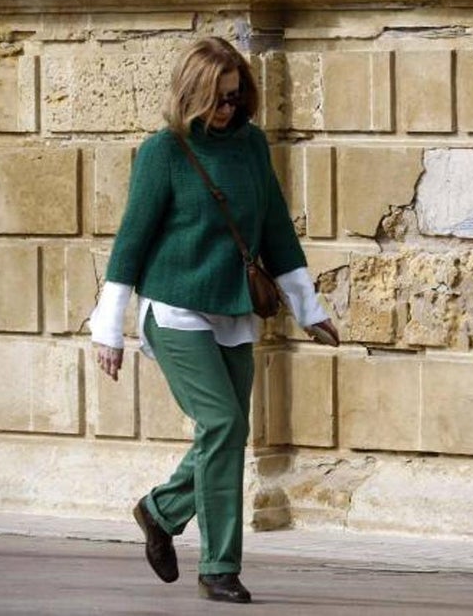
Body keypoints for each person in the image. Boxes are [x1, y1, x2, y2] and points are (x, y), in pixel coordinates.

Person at [89, 36, 340, 604]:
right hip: (174, 308)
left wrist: (308, 307)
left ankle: (161, 510)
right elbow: (130, 243)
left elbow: (275, 226)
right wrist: (110, 329)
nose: (228, 110)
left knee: (227, 433)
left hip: (232, 309)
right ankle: (220, 568)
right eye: (219, 100)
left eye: (236, 98)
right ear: (193, 95)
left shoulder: (252, 146)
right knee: (223, 423)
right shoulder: (164, 152)